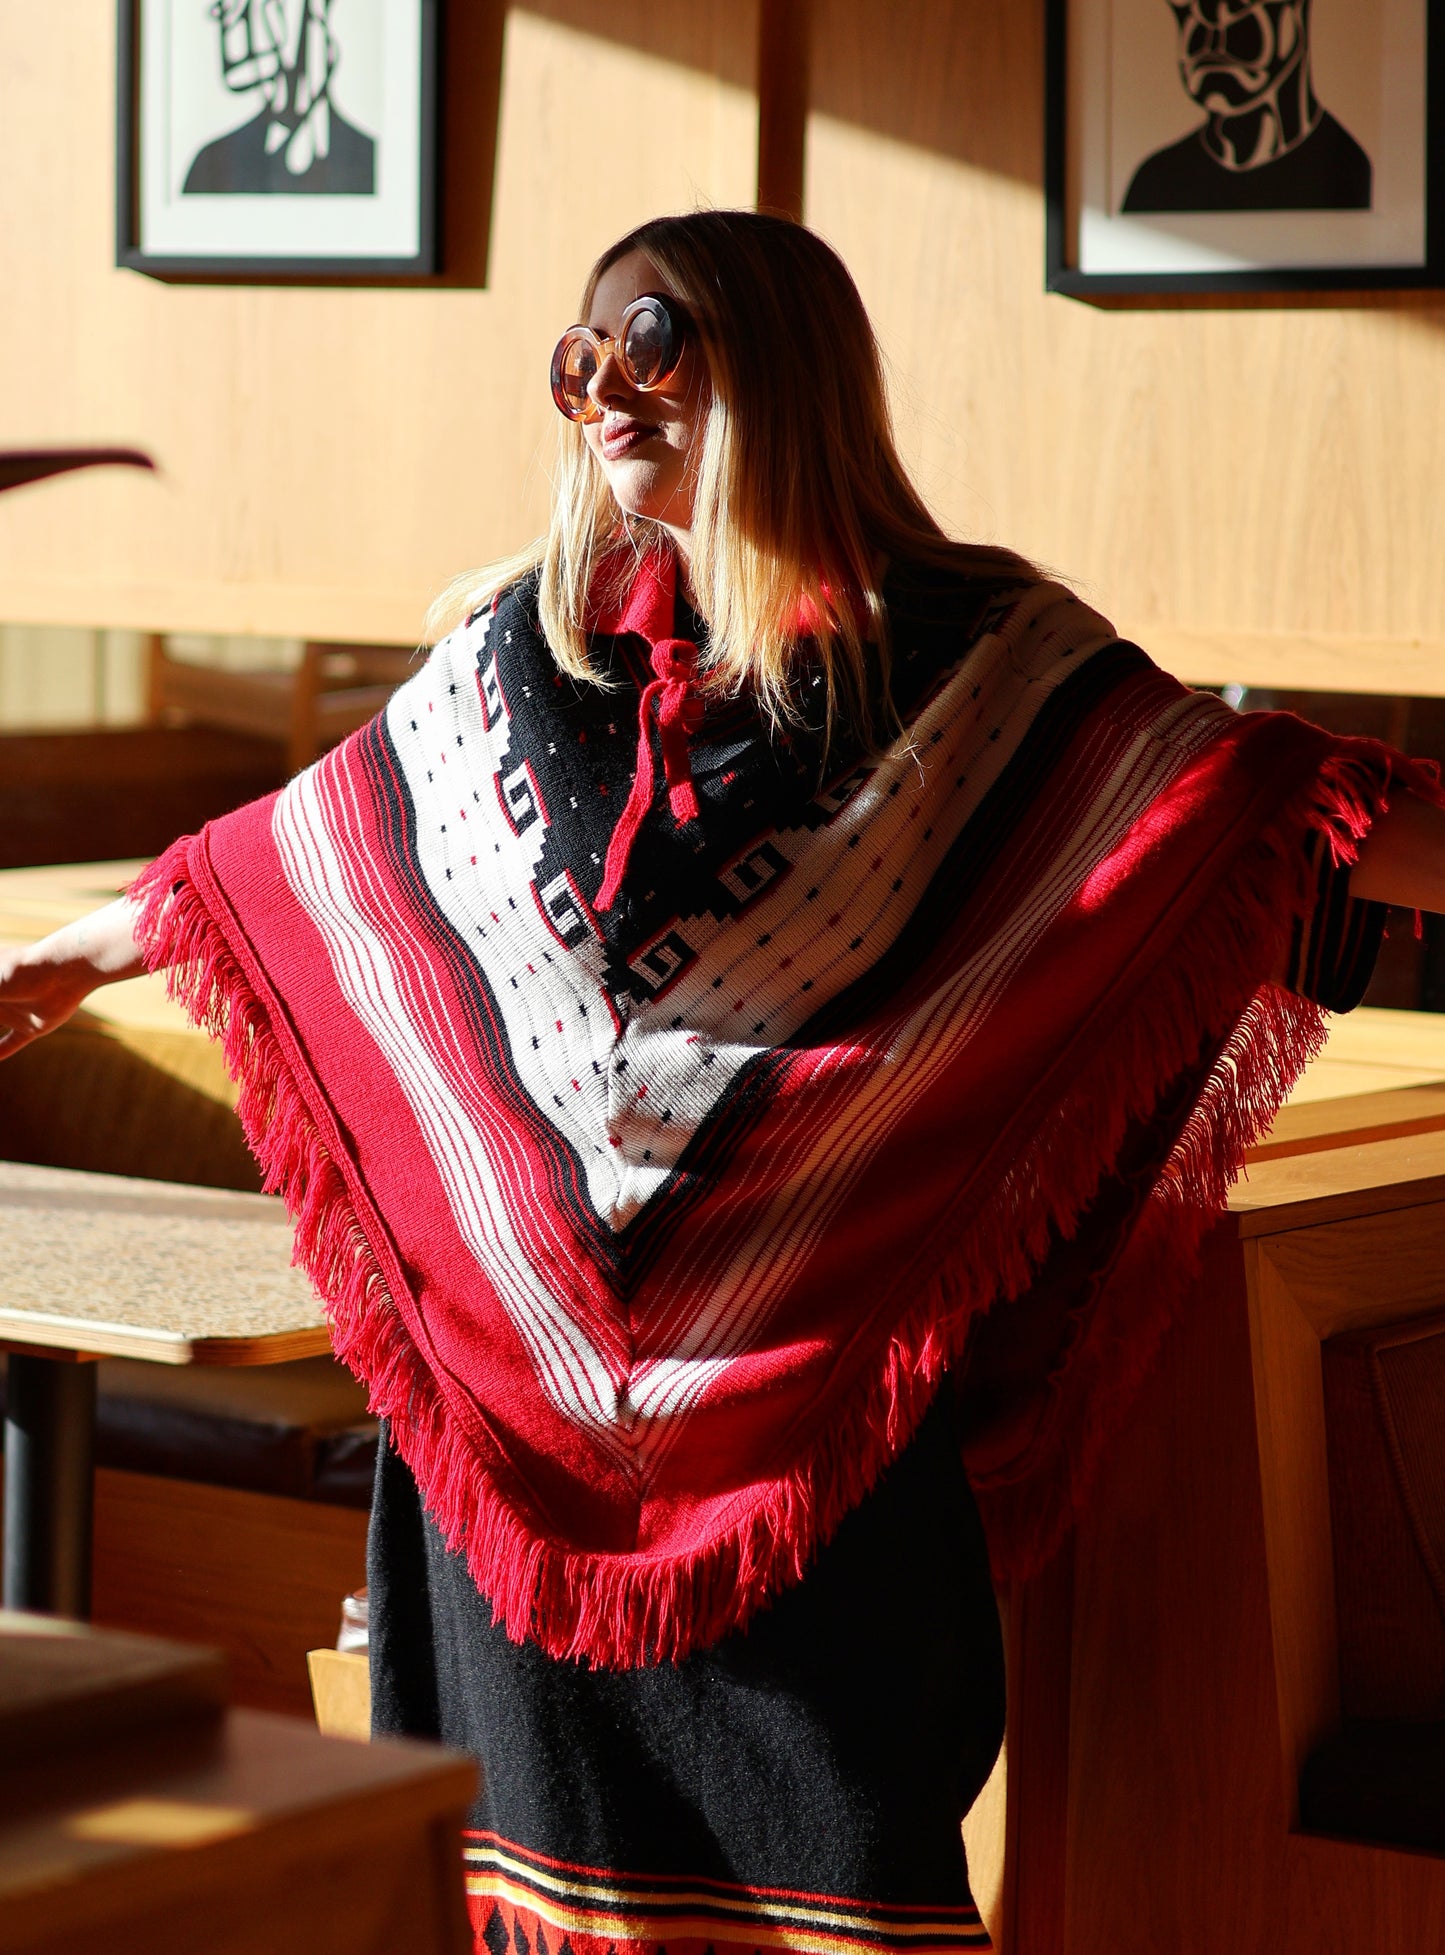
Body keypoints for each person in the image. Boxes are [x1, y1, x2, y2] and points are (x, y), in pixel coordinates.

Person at [3, 211, 1444, 1954]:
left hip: (819, 1416)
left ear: (786, 361)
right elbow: (290, 865)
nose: (604, 390)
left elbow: (1227, 818)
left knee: (833, 1871)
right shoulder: (512, 654)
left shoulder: (982, 666)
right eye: (576, 356)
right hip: (502, 1408)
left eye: (653, 343)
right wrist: (64, 964)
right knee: (512, 1896)